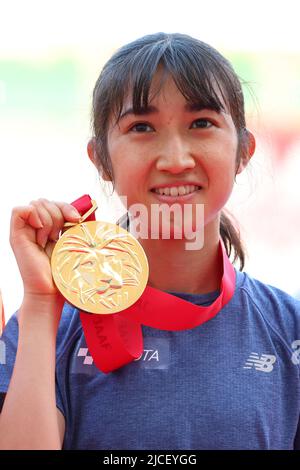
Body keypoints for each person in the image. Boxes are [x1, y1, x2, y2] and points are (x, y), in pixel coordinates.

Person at [0, 32, 299, 450]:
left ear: (244, 151)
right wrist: (39, 304)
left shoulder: (290, 330)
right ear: (101, 160)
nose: (176, 160)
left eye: (202, 124)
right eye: (141, 127)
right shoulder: (47, 330)